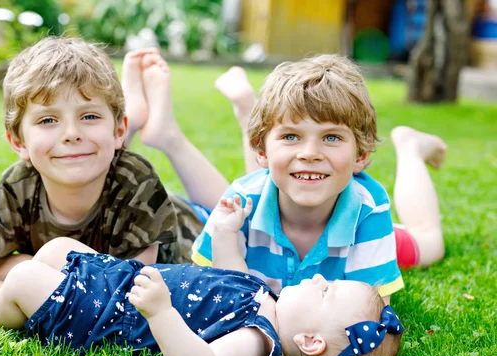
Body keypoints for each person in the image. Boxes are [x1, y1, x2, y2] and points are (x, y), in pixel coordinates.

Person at [0, 197, 404, 356]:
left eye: (326, 292)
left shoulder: (258, 341)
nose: (321, 278)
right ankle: (13, 301)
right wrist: (227, 230)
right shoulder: (268, 299)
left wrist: (159, 313)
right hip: (121, 279)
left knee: (21, 279)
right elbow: (232, 271)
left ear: (309, 342)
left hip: (112, 313)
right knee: (57, 248)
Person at [124, 53, 446, 303]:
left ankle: (410, 147)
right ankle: (255, 117)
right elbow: (215, 295)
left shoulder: (369, 212)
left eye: (331, 137)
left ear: (361, 156)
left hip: (355, 230)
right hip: (268, 194)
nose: (310, 152)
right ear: (260, 153)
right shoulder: (242, 200)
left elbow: (369, 316)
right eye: (291, 136)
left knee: (429, 243)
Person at [0, 37, 228, 296]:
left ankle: (165, 133)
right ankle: (129, 110)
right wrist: (35, 271)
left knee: (238, 211)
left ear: (119, 131)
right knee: (92, 149)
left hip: (196, 223)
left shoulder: (137, 184)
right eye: (47, 120)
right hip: (107, 181)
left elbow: (122, 301)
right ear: (18, 142)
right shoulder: (18, 188)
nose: (70, 132)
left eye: (89, 115)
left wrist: (26, 275)